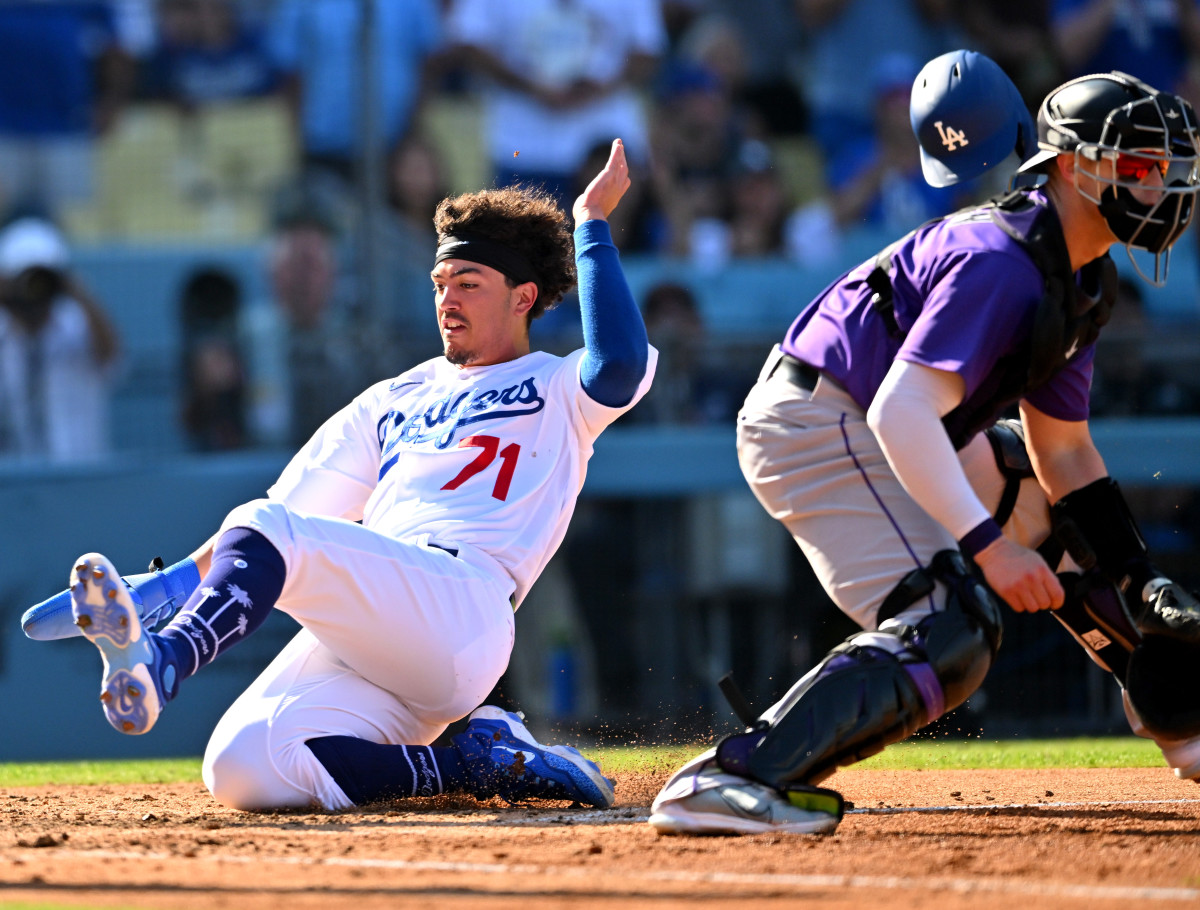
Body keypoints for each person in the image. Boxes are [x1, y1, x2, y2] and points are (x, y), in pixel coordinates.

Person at [22, 139, 656, 813]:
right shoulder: (394, 397)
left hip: (463, 607)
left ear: (524, 297)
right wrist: (167, 584)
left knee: (269, 530)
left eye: (470, 283)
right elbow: (274, 521)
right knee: (243, 766)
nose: (448, 299)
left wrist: (590, 224)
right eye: (441, 283)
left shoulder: (558, 385)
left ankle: (166, 659)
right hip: (380, 619)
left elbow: (619, 366)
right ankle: (470, 763)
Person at [648, 71, 1200, 836]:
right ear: (1076, 167)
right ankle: (733, 773)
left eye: (1168, 169)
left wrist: (1138, 577)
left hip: (871, 416)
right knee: (951, 623)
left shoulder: (1083, 278)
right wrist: (990, 548)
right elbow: (900, 412)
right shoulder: (1001, 262)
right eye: (1140, 168)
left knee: (1037, 494)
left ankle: (1187, 725)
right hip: (817, 417)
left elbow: (1062, 452)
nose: (1164, 186)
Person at [0, 216, 120, 462]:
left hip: (79, 473)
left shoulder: (78, 327)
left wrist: (80, 293)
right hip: (16, 482)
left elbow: (111, 357)